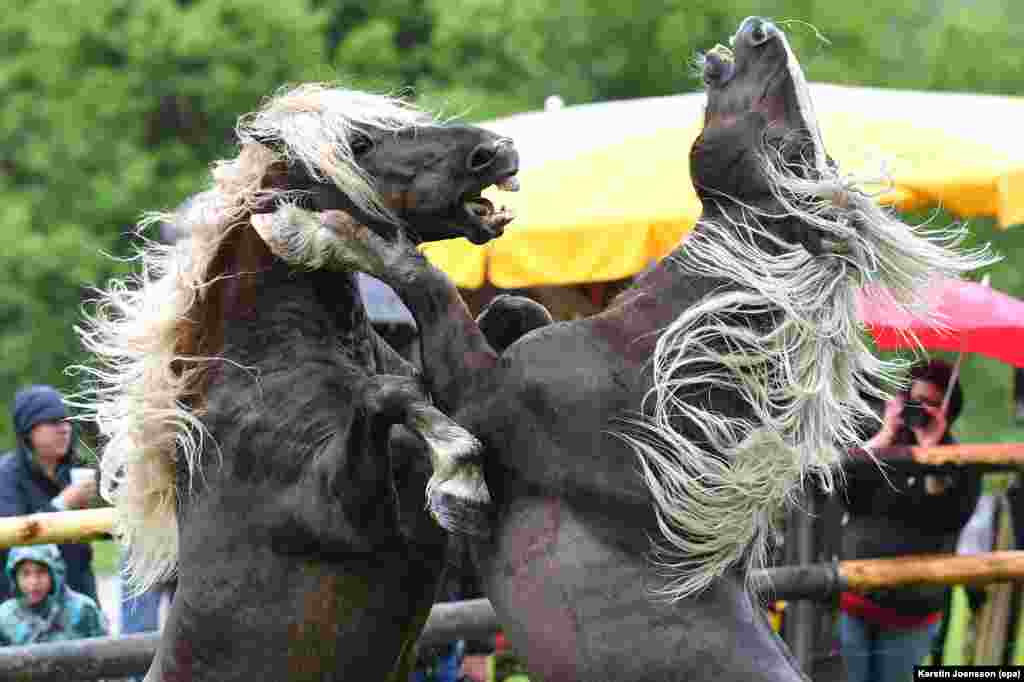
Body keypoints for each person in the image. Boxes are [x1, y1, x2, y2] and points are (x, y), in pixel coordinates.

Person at [838, 359, 981, 682]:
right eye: (917, 401)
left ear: (948, 409)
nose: (923, 411)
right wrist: (884, 436)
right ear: (902, 401)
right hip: (854, 599)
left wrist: (932, 454)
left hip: (911, 614)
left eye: (933, 403)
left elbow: (949, 517)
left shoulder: (960, 461)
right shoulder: (883, 447)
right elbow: (846, 493)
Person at [0, 385, 99, 602]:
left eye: (67, 421)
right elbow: (12, 543)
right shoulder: (7, 475)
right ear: (29, 430)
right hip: (26, 609)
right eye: (54, 422)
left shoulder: (74, 469)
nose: (64, 429)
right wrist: (64, 502)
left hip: (77, 600)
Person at [0, 543, 108, 645]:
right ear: (14, 577)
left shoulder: (83, 610)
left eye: (41, 572)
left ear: (54, 574)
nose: (33, 582)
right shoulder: (5, 617)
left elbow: (105, 654)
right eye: (25, 574)